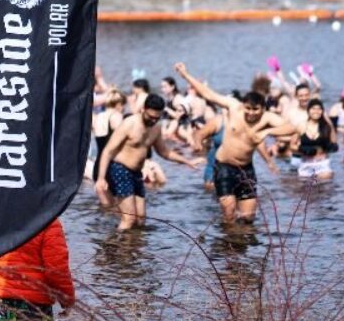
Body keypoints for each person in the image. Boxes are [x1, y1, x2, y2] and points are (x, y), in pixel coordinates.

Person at [175, 63, 295, 222]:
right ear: (243, 105)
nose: (251, 113)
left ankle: (241, 244)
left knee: (248, 218)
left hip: (246, 169)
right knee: (230, 214)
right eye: (248, 108)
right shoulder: (234, 107)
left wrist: (268, 131)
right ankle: (226, 245)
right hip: (224, 167)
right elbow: (208, 94)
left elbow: (291, 127)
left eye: (255, 110)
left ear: (262, 109)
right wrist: (185, 74)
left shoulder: (267, 118)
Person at [94, 94, 199, 231]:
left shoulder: (156, 128)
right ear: (144, 109)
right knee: (129, 218)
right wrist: (101, 178)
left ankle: (134, 249)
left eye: (157, 117)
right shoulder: (129, 123)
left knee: (141, 219)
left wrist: (186, 161)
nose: (153, 120)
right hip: (120, 169)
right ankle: (116, 249)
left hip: (137, 173)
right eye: (151, 117)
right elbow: (108, 150)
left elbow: (164, 152)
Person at [0, 218, 75, 321]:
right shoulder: (48, 220)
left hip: (1, 301)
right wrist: (66, 300)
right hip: (34, 304)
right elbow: (56, 269)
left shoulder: (0, 217)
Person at [296, 98, 335, 180]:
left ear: (322, 111)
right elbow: (292, 145)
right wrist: (303, 149)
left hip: (322, 164)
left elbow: (334, 143)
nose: (316, 111)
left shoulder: (326, 127)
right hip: (306, 164)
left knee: (324, 182)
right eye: (313, 108)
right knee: (304, 189)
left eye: (319, 109)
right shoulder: (301, 126)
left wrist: (329, 122)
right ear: (308, 110)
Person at [91, 89, 125, 183]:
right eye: (123, 105)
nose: (123, 108)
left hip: (98, 166)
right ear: (118, 104)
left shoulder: (97, 117)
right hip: (113, 166)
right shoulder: (116, 116)